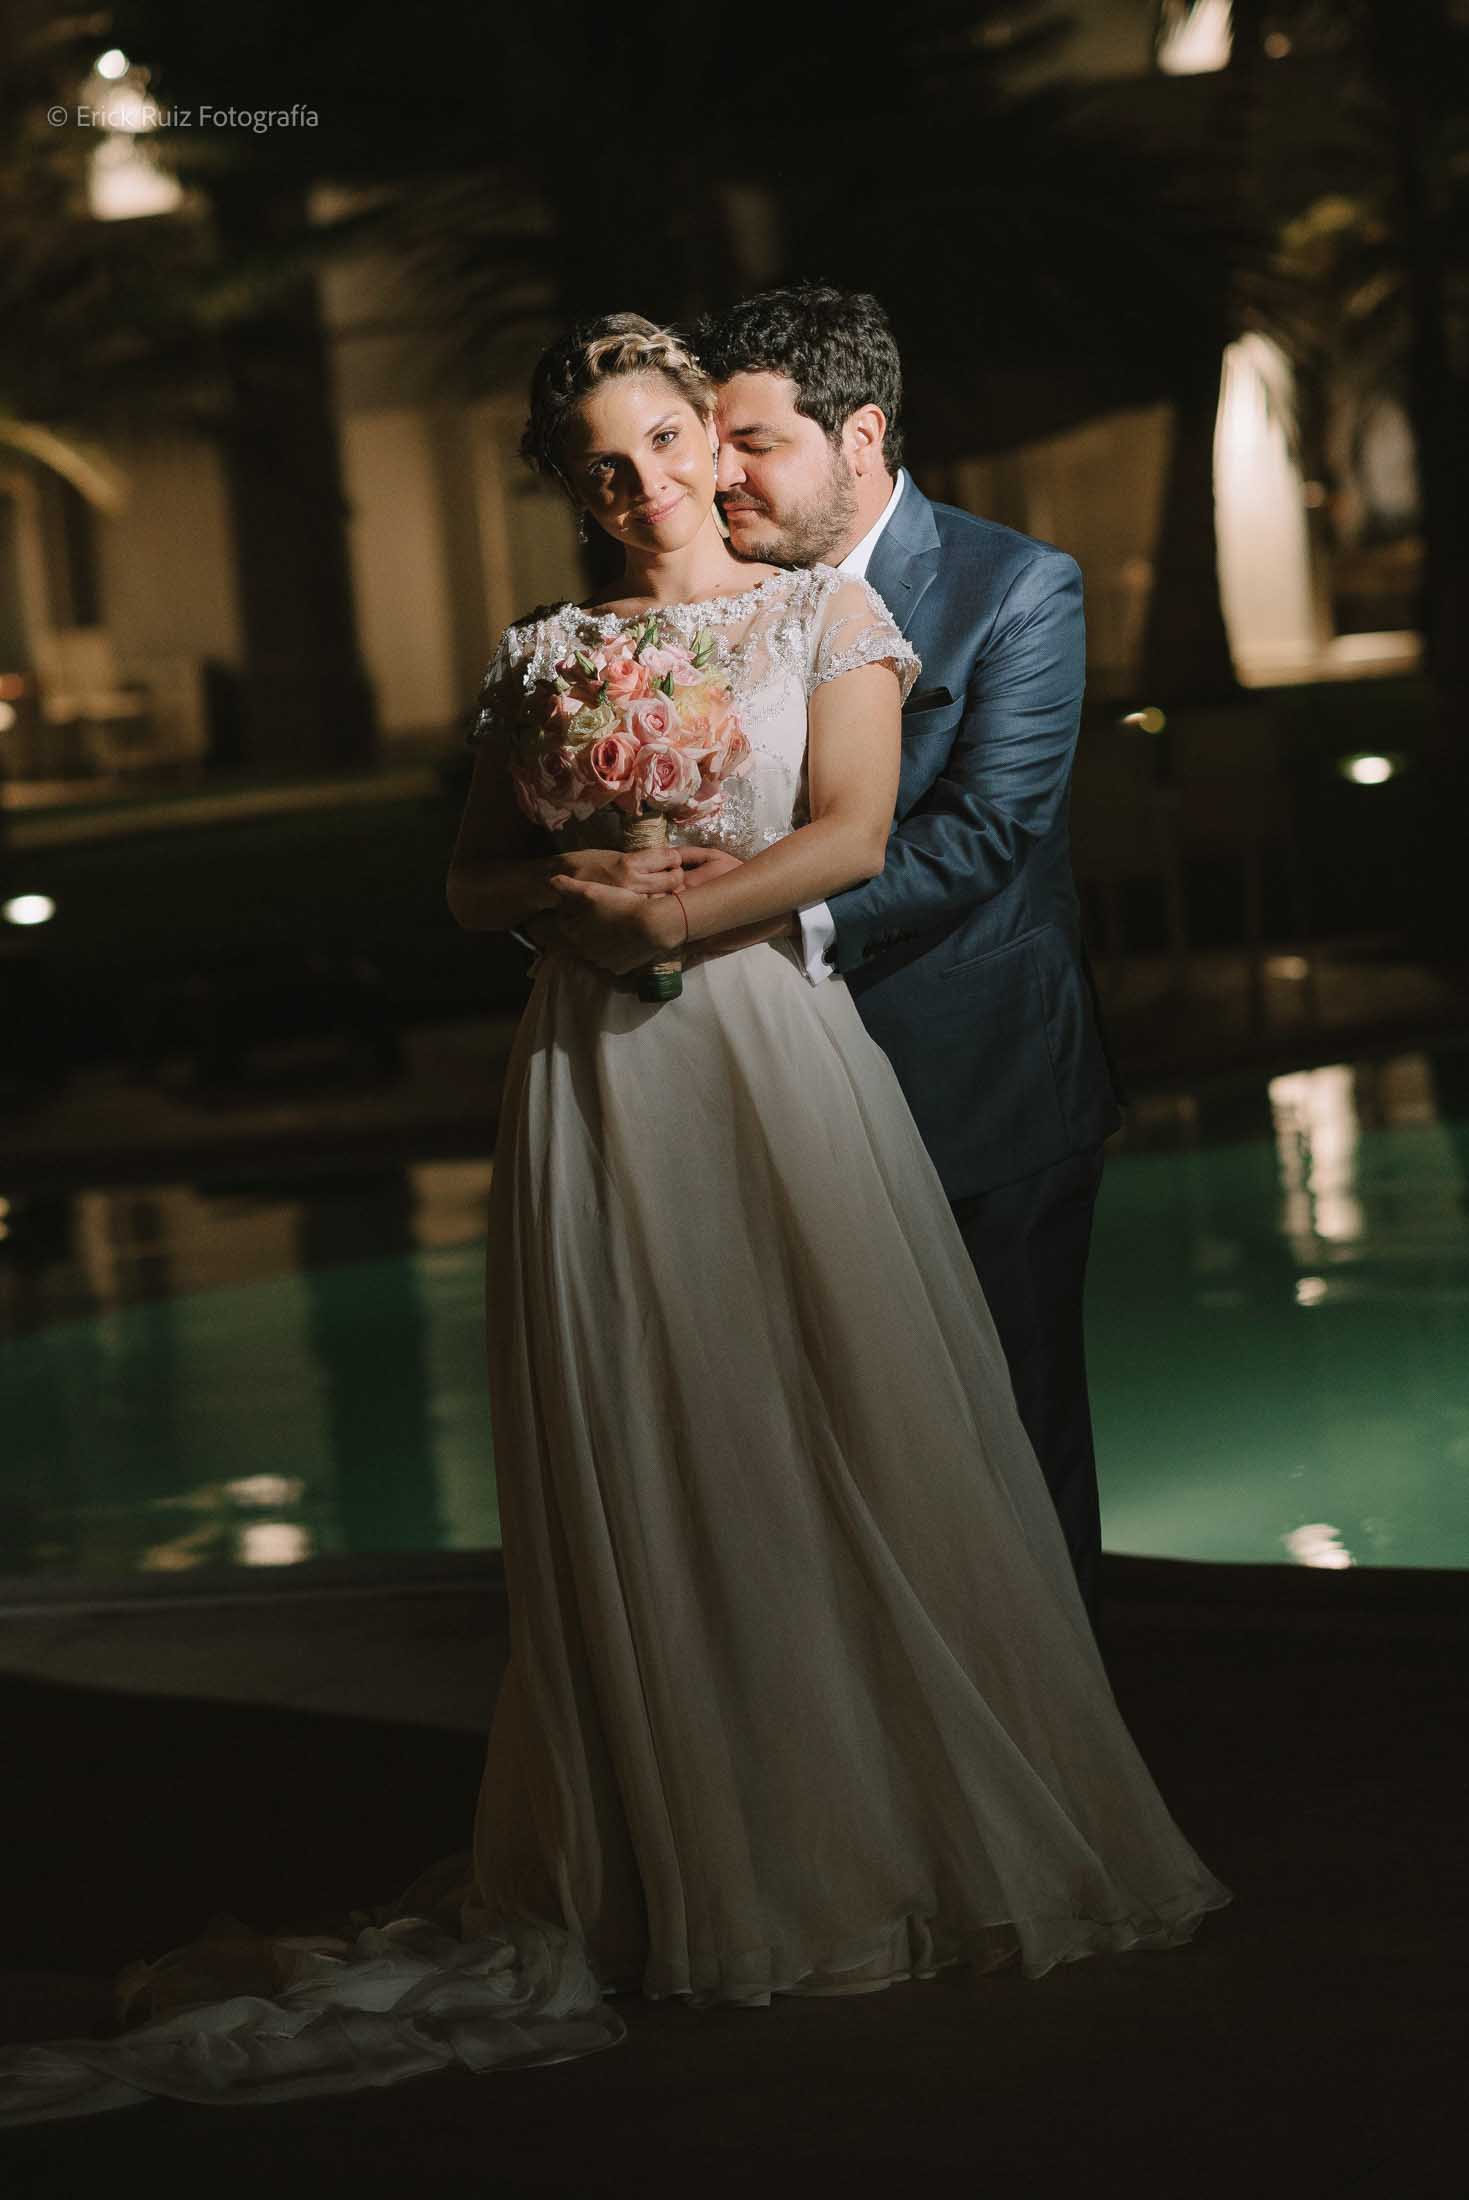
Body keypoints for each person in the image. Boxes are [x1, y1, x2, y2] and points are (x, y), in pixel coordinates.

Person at [0, 313, 1228, 2128]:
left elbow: (859, 835)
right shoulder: (542, 653)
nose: (644, 480)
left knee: (845, 1412)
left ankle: (888, 1815)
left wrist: (678, 920)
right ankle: (671, 1829)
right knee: (642, 1428)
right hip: (592, 1076)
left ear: (708, 441)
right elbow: (470, 877)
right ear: (570, 488)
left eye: (666, 440)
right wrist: (566, 894)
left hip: (769, 1052)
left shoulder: (827, 618)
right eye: (602, 461)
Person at [553, 285, 1123, 1630]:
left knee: (1008, 1432)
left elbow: (988, 831)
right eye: (712, 443)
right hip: (756, 1082)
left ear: (859, 436)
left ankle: (1058, 1719)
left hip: (972, 1079)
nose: (718, 478)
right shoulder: (702, 602)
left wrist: (750, 916)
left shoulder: (1013, 587)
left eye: (753, 445)